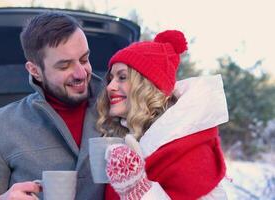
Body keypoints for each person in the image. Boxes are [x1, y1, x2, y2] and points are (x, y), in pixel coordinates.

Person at [0, 11, 105, 200]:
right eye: (64, 66)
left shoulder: (118, 110)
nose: (81, 73)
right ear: (35, 71)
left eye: (84, 59)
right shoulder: (1, 124)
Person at [96, 30, 229, 200]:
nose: (110, 87)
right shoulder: (129, 136)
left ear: (147, 86)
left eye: (122, 77)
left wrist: (139, 190)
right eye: (110, 79)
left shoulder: (190, 151)